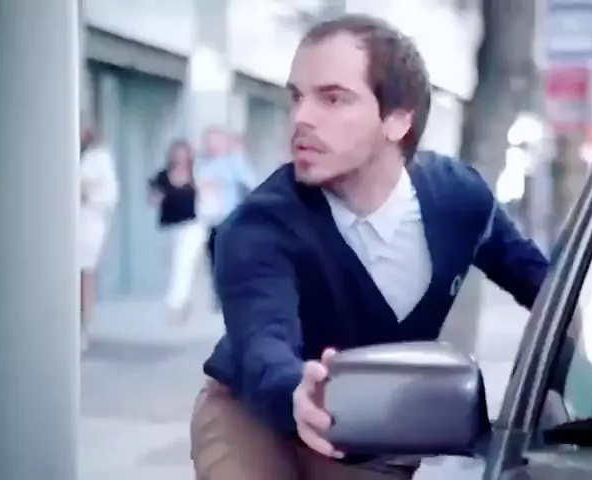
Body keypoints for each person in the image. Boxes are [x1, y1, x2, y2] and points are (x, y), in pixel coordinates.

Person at [189, 14, 550, 480]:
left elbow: (544, 285)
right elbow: (263, 343)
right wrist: (295, 390)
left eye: (333, 98)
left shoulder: (458, 198)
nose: (301, 118)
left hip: (373, 424)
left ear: (398, 119)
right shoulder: (258, 225)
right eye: (298, 97)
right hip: (253, 414)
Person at [148, 139, 207, 323]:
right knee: (173, 266)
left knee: (184, 265)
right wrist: (160, 195)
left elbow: (207, 199)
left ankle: (175, 305)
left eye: (183, 154)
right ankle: (183, 301)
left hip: (192, 227)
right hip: (170, 227)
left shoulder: (196, 175)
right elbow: (152, 200)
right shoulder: (163, 176)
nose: (180, 158)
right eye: (177, 154)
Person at [195, 127, 256, 283]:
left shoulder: (234, 163)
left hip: (230, 219)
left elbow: (251, 183)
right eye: (210, 141)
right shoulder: (202, 164)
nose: (213, 145)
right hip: (209, 220)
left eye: (217, 141)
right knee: (214, 260)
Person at [79, 124, 119, 352]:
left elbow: (110, 195)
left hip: (88, 221)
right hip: (61, 223)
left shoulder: (100, 157)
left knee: (85, 273)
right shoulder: (58, 151)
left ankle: (84, 328)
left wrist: (87, 195)